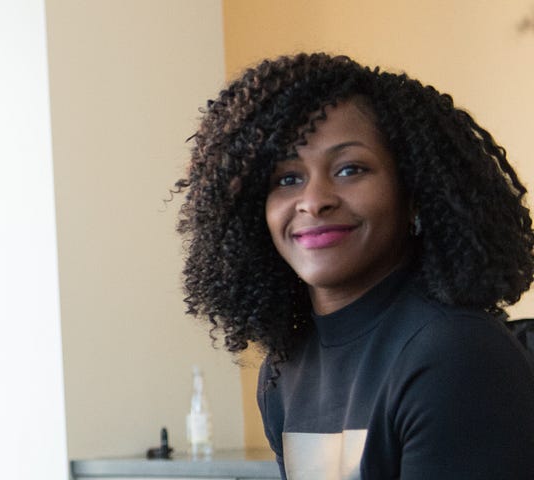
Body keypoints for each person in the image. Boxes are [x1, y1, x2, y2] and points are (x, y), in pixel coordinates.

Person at [176, 52, 534, 478]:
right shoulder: (285, 368)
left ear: (414, 192)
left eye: (350, 169)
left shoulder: (455, 354)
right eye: (287, 179)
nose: (314, 200)